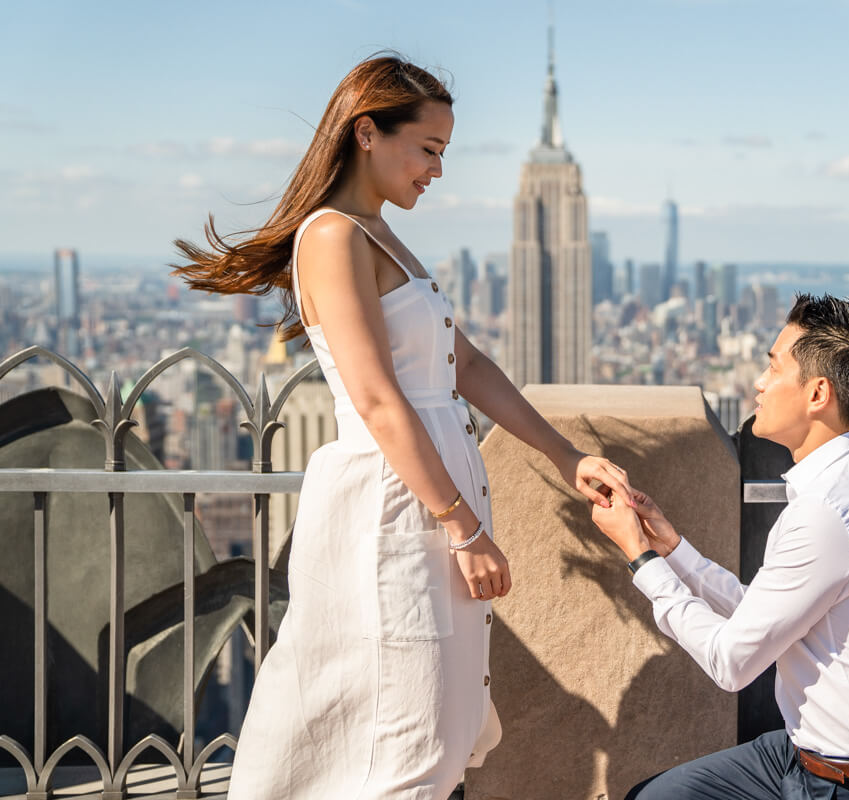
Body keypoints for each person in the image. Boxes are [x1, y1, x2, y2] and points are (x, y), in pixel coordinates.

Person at [172, 54, 632, 800]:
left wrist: (566, 456)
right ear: (367, 134)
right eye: (429, 150)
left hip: (426, 509)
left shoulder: (378, 233)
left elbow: (467, 365)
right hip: (398, 509)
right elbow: (380, 400)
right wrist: (463, 528)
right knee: (402, 735)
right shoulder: (331, 238)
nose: (437, 171)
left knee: (433, 729)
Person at [591, 294, 849, 800]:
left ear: (817, 393)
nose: (759, 382)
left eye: (773, 368)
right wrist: (672, 549)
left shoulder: (827, 512)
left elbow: (730, 662)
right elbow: (763, 612)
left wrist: (639, 557)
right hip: (816, 754)